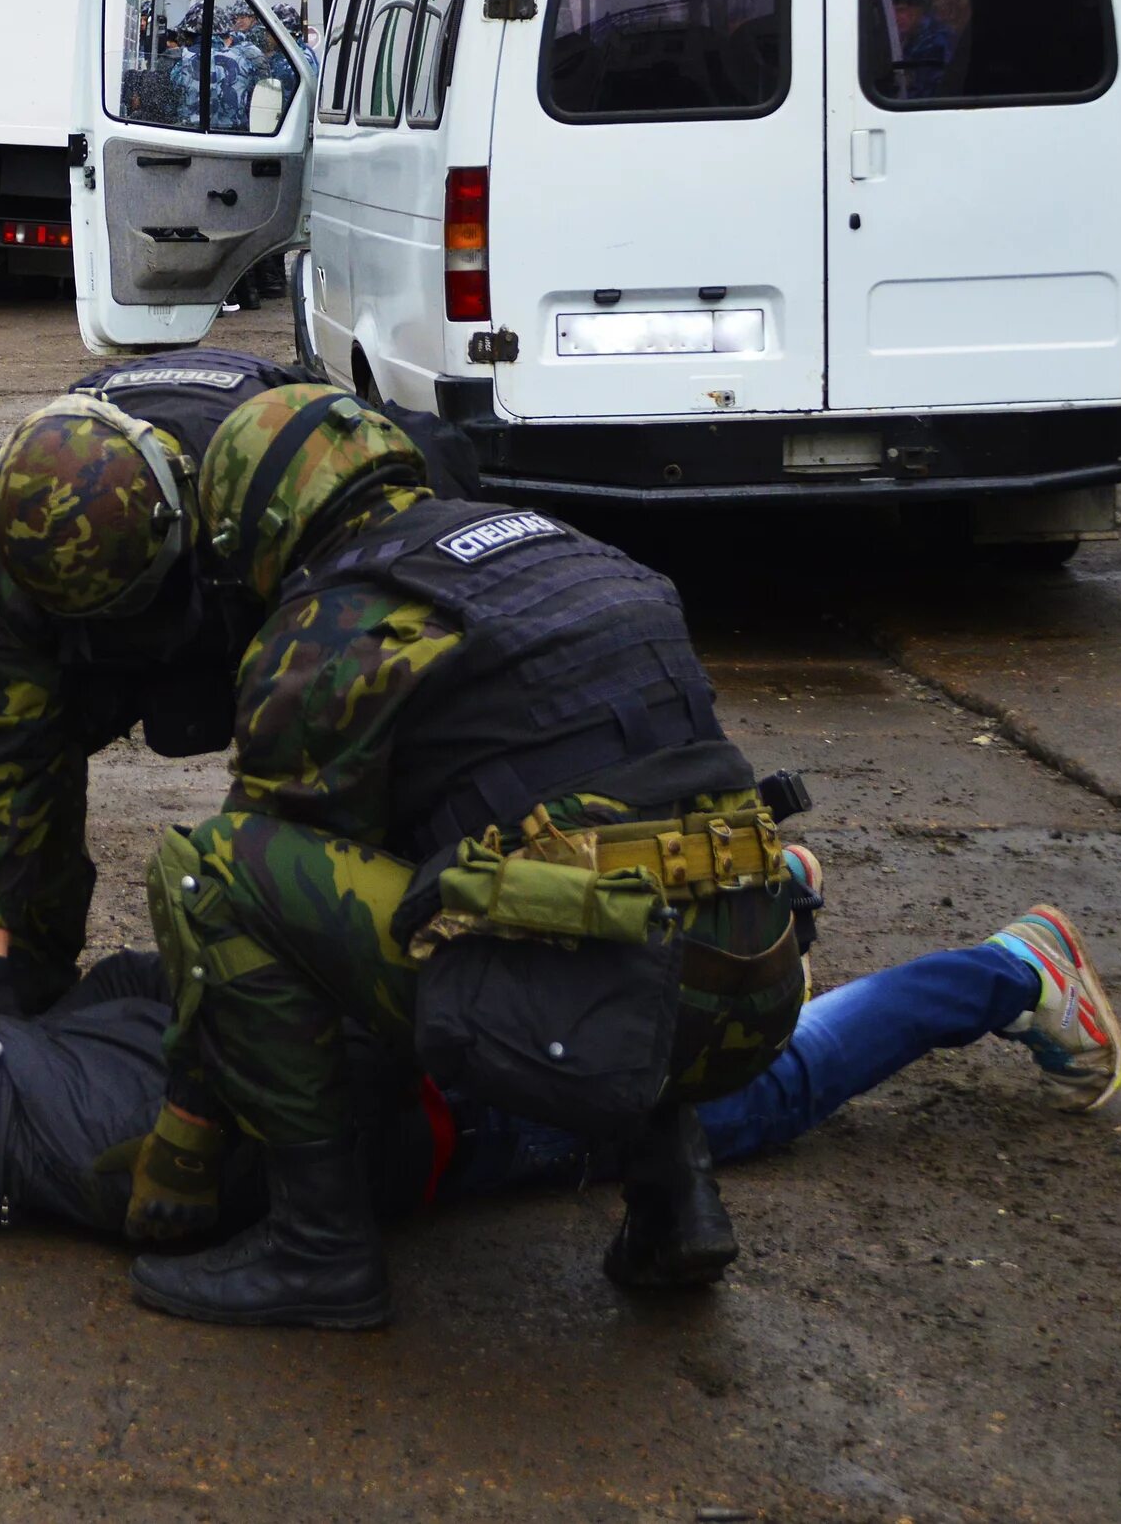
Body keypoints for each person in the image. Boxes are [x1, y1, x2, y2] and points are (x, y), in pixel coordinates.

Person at [120, 386, 811, 1329]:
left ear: (262, 517)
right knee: (596, 863)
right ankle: (675, 1200)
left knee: (216, 869)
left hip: (608, 1010)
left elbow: (267, 873)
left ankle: (318, 1250)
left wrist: (187, 1130)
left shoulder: (335, 625)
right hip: (758, 984)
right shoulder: (563, 547)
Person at [0, 902, 1121, 1240]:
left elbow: (331, 1174)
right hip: (423, 1004)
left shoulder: (97, 1174)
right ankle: (765, 904)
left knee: (764, 1094)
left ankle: (1013, 970)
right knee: (662, 1018)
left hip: (463, 1112)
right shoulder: (51, 1030)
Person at [0, 351, 321, 1023]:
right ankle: (27, 976)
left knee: (316, 758)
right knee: (34, 740)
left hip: (243, 600)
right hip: (132, 608)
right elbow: (0, 751)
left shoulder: (280, 483)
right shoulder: (39, 536)